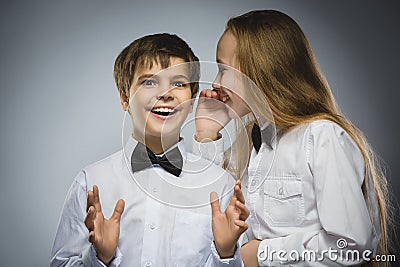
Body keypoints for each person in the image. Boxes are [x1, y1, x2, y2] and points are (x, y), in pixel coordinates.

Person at [193, 10, 389, 266]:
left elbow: (352, 246)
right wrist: (207, 134)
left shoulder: (321, 137)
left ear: (261, 69)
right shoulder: (250, 144)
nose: (216, 82)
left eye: (223, 69)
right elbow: (206, 221)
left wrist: (261, 254)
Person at [50, 33, 250, 267]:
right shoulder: (90, 182)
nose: (165, 93)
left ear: (193, 98)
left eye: (178, 83)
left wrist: (226, 254)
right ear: (125, 98)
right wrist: (99, 259)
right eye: (149, 82)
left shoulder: (220, 186)